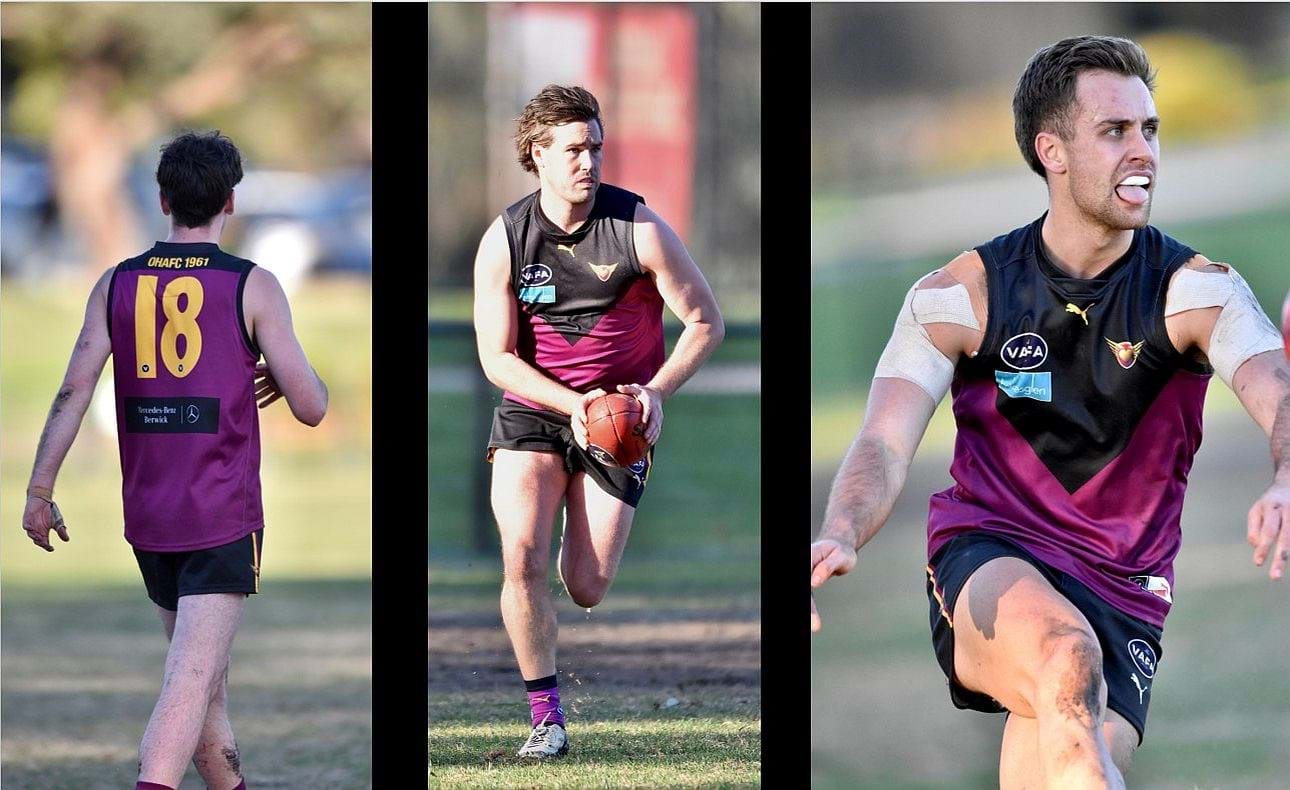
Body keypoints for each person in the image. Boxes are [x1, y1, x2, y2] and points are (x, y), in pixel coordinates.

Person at [810, 36, 1289, 788]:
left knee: (1071, 760)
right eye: (1115, 131)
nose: (1144, 152)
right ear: (1052, 151)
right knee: (1066, 654)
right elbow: (884, 440)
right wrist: (841, 528)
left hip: (1127, 596)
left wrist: (1285, 478)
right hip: (991, 555)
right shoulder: (960, 295)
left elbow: (1278, 393)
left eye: (1150, 130)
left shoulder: (1198, 292)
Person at [21, 131, 328, 790]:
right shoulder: (252, 285)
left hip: (150, 514)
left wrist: (39, 488)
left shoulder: (116, 283)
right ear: (231, 201)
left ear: (163, 200)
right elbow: (311, 406)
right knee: (191, 681)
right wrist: (276, 363)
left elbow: (74, 388)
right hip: (220, 515)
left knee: (204, 690)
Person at [472, 84, 724, 758]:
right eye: (576, 150)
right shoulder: (506, 238)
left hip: (620, 422)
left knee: (586, 585)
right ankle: (546, 720)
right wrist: (572, 405)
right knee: (521, 555)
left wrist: (656, 393)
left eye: (597, 148)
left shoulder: (638, 227)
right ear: (539, 155)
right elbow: (496, 358)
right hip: (536, 412)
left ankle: (581, 521)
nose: (590, 161)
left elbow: (705, 320)